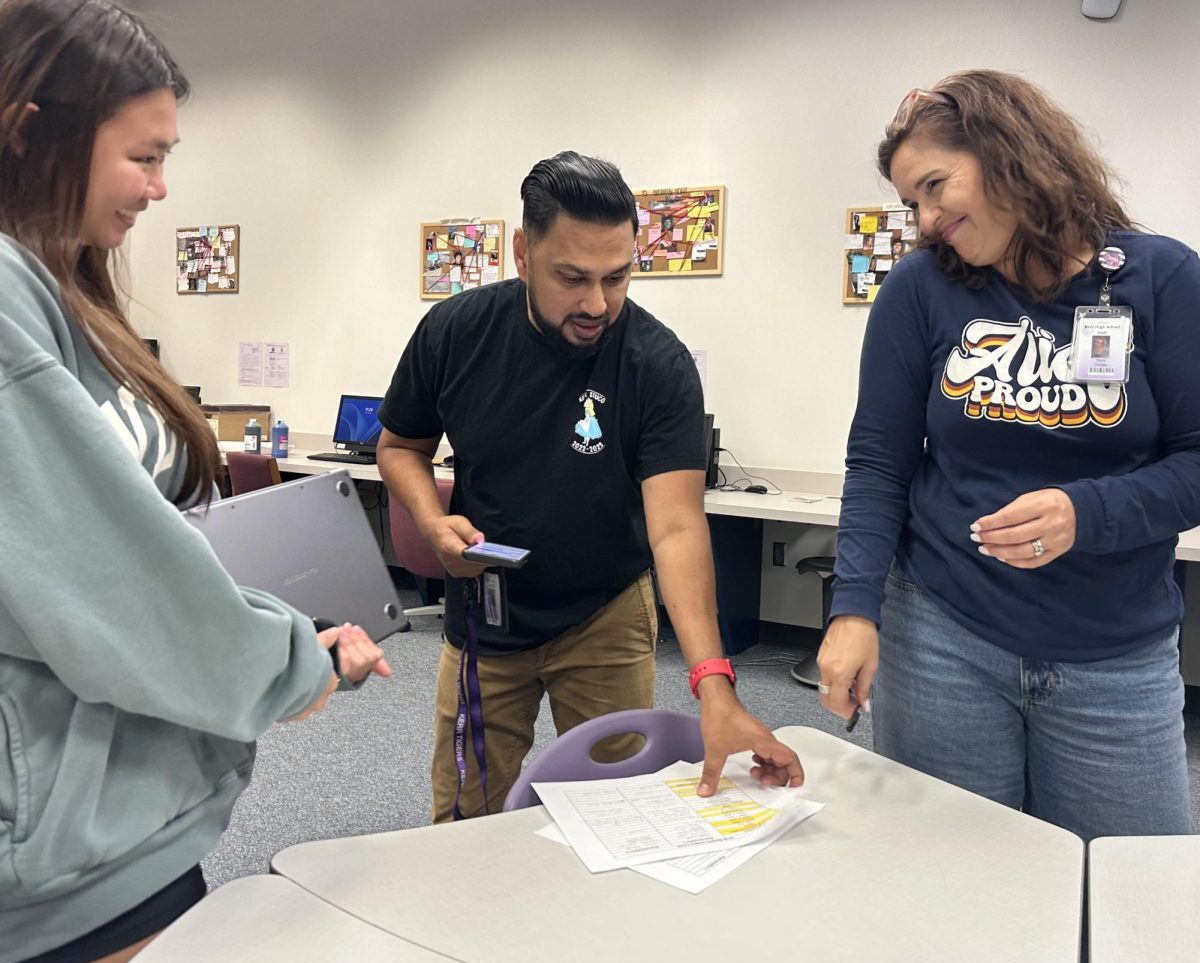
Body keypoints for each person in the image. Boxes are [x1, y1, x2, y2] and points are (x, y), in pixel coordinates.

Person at [0, 3, 390, 963]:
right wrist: (290, 663)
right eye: (145, 155)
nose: (161, 187)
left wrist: (269, 635)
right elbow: (114, 583)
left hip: (128, 804)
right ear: (34, 127)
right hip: (64, 846)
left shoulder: (57, 284)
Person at [817, 69, 1200, 842]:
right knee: (952, 884)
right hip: (942, 636)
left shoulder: (1162, 278)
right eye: (910, 203)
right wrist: (853, 608)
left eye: (934, 186)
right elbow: (879, 463)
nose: (925, 220)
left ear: (1008, 153)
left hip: (1114, 655)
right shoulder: (921, 289)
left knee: (1130, 903)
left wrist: (1085, 512)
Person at [377, 150, 802, 822]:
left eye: (617, 277)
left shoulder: (656, 365)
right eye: (571, 277)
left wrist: (713, 685)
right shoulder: (455, 334)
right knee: (463, 818)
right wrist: (430, 521)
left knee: (621, 813)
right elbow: (401, 447)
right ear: (522, 252)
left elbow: (677, 527)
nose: (597, 304)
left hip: (605, 615)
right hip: (487, 619)